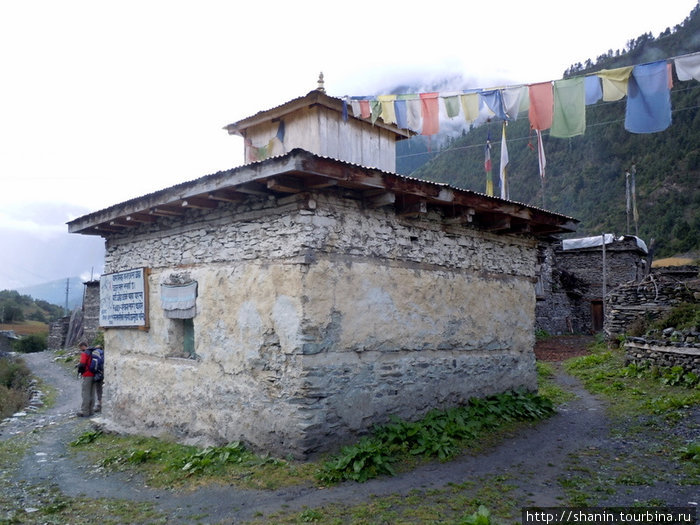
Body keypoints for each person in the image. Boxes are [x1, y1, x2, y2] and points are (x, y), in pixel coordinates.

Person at [76, 342, 95, 417]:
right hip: (95, 374)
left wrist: (79, 370)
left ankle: (85, 411)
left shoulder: (85, 353)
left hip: (87, 374)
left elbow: (82, 364)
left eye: (80, 348)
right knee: (92, 393)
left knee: (85, 393)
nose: (80, 350)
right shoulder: (94, 351)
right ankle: (91, 410)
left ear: (83, 346)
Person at [92, 344, 104, 413]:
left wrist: (93, 371)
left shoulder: (95, 353)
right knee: (103, 388)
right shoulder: (104, 353)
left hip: (98, 373)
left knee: (98, 389)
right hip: (104, 373)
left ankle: (100, 404)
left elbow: (94, 365)